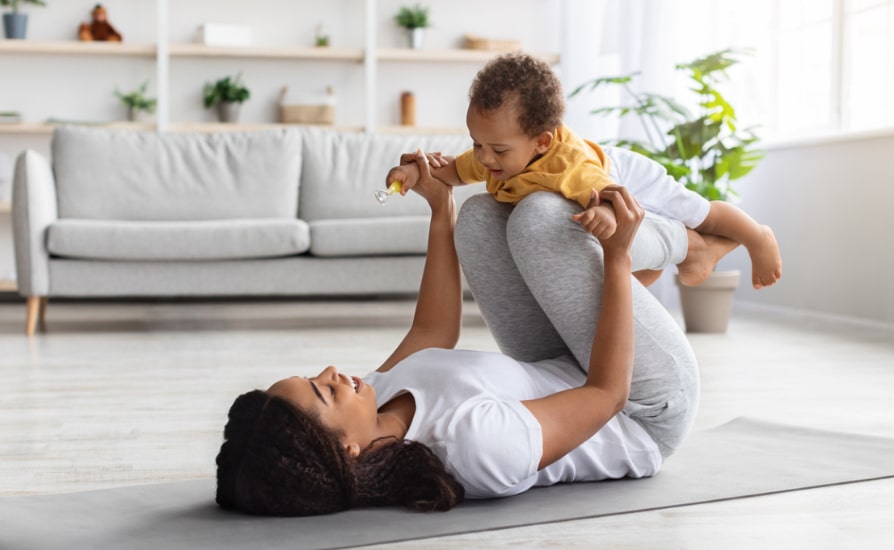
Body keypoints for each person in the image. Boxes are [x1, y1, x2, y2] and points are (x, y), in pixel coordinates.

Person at [215, 150, 703, 516]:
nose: (331, 372)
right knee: (538, 222)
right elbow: (607, 393)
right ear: (348, 451)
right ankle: (696, 244)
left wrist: (440, 207)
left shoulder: (375, 401)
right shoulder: (473, 447)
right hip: (645, 410)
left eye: (314, 375)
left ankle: (647, 270)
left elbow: (433, 328)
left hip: (565, 364)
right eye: (323, 391)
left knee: (478, 219)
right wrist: (617, 258)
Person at [387, 52, 782, 290]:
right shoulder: (494, 157)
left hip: (622, 173)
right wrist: (418, 173)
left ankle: (755, 235)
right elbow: (454, 173)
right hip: (596, 181)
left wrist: (605, 211)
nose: (485, 158)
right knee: (614, 282)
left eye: (498, 149)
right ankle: (690, 257)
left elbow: (608, 191)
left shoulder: (567, 166)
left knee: (698, 212)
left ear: (542, 142)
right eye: (477, 143)